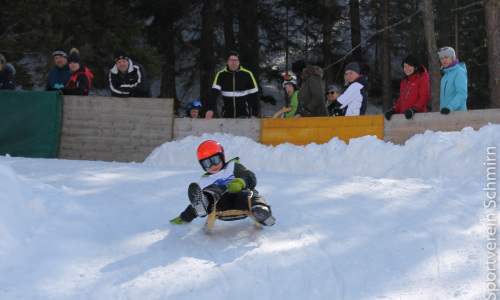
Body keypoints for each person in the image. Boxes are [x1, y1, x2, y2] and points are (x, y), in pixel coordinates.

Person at [169, 140, 275, 227]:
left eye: (215, 159)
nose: (212, 165)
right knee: (210, 192)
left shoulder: (233, 167)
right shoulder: (205, 180)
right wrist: (183, 217)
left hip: (242, 200)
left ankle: (262, 212)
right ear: (202, 165)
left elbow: (251, 177)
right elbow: (194, 204)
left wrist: (240, 183)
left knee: (255, 196)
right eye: (207, 163)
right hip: (219, 205)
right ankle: (205, 204)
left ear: (222, 157)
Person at [205, 51, 259, 119]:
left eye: (236, 60)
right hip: (227, 115)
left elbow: (255, 95)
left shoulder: (247, 74)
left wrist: (254, 114)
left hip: (244, 115)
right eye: (231, 60)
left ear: (239, 62)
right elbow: (214, 94)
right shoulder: (221, 75)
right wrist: (210, 109)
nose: (233, 63)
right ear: (227, 61)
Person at [384, 55, 430, 121]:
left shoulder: (422, 79)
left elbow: (425, 97)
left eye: (410, 66)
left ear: (416, 67)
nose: (407, 69)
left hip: (418, 118)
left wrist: (414, 109)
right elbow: (401, 101)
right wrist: (393, 110)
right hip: (404, 118)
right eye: (405, 66)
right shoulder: (404, 83)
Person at [438, 46, 467, 114]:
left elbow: (462, 94)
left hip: (458, 115)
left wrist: (450, 107)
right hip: (446, 114)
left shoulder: (459, 72)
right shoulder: (444, 77)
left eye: (446, 57)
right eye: (442, 58)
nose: (444, 60)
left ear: (452, 58)